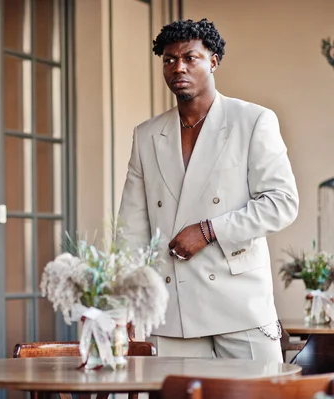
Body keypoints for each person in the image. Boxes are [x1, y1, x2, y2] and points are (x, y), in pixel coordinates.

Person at [117, 18, 299, 362]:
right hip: (172, 311)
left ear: (213, 60)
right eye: (169, 60)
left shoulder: (253, 120)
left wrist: (208, 230)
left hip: (240, 307)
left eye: (190, 58)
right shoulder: (146, 135)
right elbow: (131, 229)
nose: (178, 67)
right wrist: (127, 301)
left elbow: (282, 203)